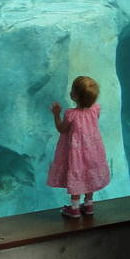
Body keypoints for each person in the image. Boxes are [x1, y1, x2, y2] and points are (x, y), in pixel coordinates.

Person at [47, 75, 110, 218]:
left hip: (76, 154)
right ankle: (88, 205)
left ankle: (74, 208)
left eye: (73, 90)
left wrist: (56, 115)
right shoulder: (96, 109)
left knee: (77, 174)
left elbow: (62, 129)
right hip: (93, 151)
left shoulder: (71, 114)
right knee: (89, 175)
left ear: (75, 96)